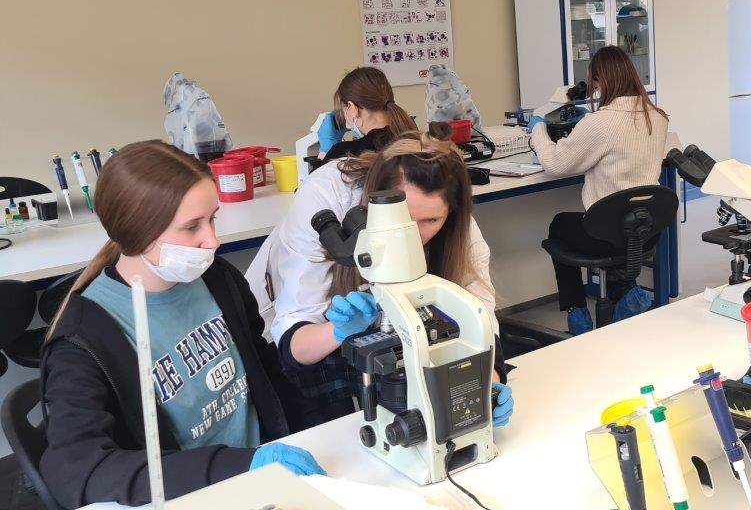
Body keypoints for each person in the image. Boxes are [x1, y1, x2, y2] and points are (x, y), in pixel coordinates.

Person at [41, 141, 323, 508]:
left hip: (263, 478)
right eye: (192, 227)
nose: (213, 241)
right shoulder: (83, 339)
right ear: (137, 232)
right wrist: (236, 466)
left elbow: (263, 366)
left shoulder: (218, 279)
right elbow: (78, 471)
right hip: (192, 494)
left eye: (213, 218)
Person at [247, 132, 512, 428]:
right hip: (308, 345)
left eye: (430, 221)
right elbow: (295, 345)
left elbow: (478, 315)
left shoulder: (456, 222)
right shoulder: (326, 197)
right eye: (406, 218)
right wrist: (337, 330)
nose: (415, 236)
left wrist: (489, 384)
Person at [530, 46, 670, 335]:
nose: (593, 90)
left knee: (560, 225)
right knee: (615, 222)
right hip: (646, 231)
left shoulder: (599, 122)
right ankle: (625, 292)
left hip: (605, 235)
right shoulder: (657, 116)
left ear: (600, 80)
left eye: (594, 83)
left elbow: (555, 164)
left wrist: (538, 130)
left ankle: (577, 312)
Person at [316, 66, 419, 163]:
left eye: (343, 108)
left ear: (352, 108)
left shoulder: (344, 153)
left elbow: (317, 176)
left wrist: (325, 151)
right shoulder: (415, 140)